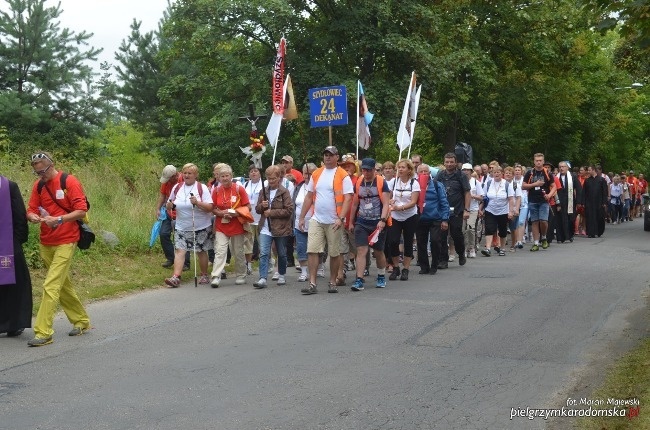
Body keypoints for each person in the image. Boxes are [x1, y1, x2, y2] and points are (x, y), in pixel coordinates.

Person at [26, 152, 91, 347]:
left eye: (43, 171)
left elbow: (81, 210)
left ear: (52, 165)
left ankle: (43, 332)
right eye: (36, 172)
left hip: (67, 240)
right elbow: (31, 209)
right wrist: (32, 217)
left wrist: (60, 219)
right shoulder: (38, 186)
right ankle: (81, 320)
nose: (40, 175)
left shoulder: (69, 181)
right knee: (62, 285)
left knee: (51, 285)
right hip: (46, 241)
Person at [298, 146, 353, 295]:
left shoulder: (343, 175)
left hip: (334, 220)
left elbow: (348, 198)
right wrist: (302, 217)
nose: (327, 157)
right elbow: (309, 196)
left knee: (334, 253)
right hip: (317, 218)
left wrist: (341, 218)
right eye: (325, 155)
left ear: (337, 157)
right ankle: (312, 283)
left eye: (331, 155)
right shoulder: (316, 174)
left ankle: (332, 282)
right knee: (312, 250)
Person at [163, 163, 214, 287]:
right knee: (180, 250)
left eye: (189, 173)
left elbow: (210, 207)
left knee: (201, 251)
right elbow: (171, 203)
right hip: (181, 225)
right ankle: (176, 277)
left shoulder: (201, 188)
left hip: (200, 226)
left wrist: (197, 203)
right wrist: (170, 206)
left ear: (195, 175)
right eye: (185, 173)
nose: (186, 175)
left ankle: (204, 274)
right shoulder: (177, 187)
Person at [348, 158, 391, 291]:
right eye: (364, 170)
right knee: (361, 250)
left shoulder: (381, 182)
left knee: (378, 251)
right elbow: (355, 203)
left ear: (374, 170)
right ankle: (359, 279)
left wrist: (382, 220)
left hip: (377, 222)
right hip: (362, 221)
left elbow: (386, 204)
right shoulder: (359, 182)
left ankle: (381, 275)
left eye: (369, 170)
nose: (366, 172)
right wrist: (351, 222)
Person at [0, 175, 32, 338]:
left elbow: (20, 214)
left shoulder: (9, 186)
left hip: (7, 244)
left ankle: (14, 323)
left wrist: (17, 242)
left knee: (14, 284)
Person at [253, 165, 294, 288]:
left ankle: (281, 274)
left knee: (281, 253)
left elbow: (289, 210)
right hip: (265, 227)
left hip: (280, 228)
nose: (271, 181)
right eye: (269, 178)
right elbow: (257, 209)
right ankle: (262, 278)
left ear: (279, 178)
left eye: (274, 178)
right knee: (264, 253)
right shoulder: (263, 191)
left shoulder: (284, 192)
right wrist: (262, 205)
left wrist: (272, 212)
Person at [210, 164, 251, 287]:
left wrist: (235, 213)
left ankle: (241, 275)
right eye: (222, 176)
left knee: (238, 251)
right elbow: (213, 208)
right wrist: (221, 213)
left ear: (231, 176)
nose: (225, 178)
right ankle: (216, 276)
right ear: (219, 178)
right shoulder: (216, 190)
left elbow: (248, 206)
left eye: (227, 176)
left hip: (237, 224)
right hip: (221, 225)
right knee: (220, 251)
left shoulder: (239, 189)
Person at [387, 159, 420, 281]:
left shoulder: (414, 183)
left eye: (403, 167)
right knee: (393, 241)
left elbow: (413, 202)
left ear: (409, 170)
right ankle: (396, 267)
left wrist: (400, 207)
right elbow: (388, 197)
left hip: (410, 216)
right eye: (399, 167)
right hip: (395, 216)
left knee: (408, 242)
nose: (400, 169)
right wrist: (390, 201)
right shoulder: (393, 182)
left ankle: (406, 269)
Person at [436, 153, 470, 268]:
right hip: (442, 211)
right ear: (444, 162)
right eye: (447, 162)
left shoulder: (461, 175)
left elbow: (467, 192)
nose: (449, 164)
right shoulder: (440, 175)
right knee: (442, 236)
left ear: (456, 162)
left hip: (457, 210)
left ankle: (461, 253)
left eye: (451, 162)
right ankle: (443, 260)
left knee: (456, 234)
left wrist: (466, 209)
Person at [156, 165, 190, 270]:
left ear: (175, 175)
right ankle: (171, 258)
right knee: (163, 234)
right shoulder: (166, 182)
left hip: (181, 214)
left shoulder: (184, 181)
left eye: (169, 179)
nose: (167, 181)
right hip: (168, 212)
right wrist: (157, 209)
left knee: (181, 237)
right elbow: (162, 195)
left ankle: (186, 263)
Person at [416, 168, 450, 274]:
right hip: (420, 218)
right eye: (421, 171)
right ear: (417, 173)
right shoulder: (414, 185)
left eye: (425, 171)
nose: (423, 173)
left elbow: (444, 202)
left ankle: (434, 264)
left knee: (435, 241)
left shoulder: (437, 185)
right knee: (421, 243)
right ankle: (424, 266)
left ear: (429, 173)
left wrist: (445, 219)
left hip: (435, 218)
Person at [522, 153, 556, 251]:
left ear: (543, 161)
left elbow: (554, 186)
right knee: (534, 222)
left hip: (544, 200)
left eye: (540, 160)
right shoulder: (530, 173)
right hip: (532, 200)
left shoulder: (547, 173)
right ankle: (536, 242)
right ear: (534, 161)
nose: (538, 162)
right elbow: (523, 186)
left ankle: (544, 237)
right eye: (537, 160)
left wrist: (549, 195)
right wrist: (535, 184)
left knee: (543, 221)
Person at [479, 166, 515, 256]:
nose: (496, 174)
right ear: (492, 174)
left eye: (498, 172)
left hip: (503, 210)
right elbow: (484, 198)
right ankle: (488, 249)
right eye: (495, 172)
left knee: (502, 230)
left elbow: (511, 199)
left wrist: (510, 211)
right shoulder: (488, 183)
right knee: (489, 229)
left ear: (502, 173)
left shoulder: (507, 184)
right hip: (490, 210)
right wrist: (480, 209)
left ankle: (502, 248)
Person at [293, 163, 316, 282]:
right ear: (302, 174)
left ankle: (319, 267)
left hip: (314, 223)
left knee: (315, 249)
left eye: (311, 173)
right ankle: (304, 272)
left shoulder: (317, 187)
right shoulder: (298, 187)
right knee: (301, 248)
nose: (308, 176)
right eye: (306, 173)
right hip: (299, 223)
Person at [555, 161, 582, 242]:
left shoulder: (572, 176)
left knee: (570, 219)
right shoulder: (556, 177)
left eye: (563, 166)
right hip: (559, 201)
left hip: (570, 201)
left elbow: (579, 189)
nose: (561, 168)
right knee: (560, 219)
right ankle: (561, 237)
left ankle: (570, 235)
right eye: (560, 167)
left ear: (567, 168)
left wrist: (578, 201)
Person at [243, 165, 263, 274]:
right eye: (251, 171)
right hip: (248, 218)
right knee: (248, 243)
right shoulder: (245, 185)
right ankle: (248, 265)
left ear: (260, 173)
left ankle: (269, 261)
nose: (253, 173)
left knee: (262, 243)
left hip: (260, 218)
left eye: (256, 171)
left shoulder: (264, 184)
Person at [462, 163, 483, 258]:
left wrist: (472, 196)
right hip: (462, 208)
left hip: (473, 209)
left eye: (468, 170)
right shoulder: (460, 181)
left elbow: (481, 197)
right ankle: (465, 248)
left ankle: (471, 248)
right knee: (463, 230)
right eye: (464, 170)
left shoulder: (475, 182)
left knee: (470, 228)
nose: (466, 172)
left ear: (471, 171)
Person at [583, 165, 608, 238]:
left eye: (589, 170)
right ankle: (591, 232)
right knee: (590, 217)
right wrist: (583, 202)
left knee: (599, 216)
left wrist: (604, 202)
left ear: (593, 170)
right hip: (589, 202)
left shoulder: (601, 180)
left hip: (599, 202)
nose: (588, 171)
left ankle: (599, 231)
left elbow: (604, 192)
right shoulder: (587, 180)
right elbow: (584, 192)